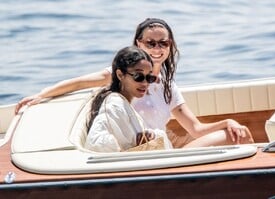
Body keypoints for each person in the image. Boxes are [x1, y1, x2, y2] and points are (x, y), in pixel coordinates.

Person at [15, 18, 254, 147]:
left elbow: (196, 129)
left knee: (239, 134)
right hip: (141, 154)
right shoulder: (121, 74)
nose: (158, 49)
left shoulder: (167, 87)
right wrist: (41, 94)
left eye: (164, 43)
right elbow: (77, 83)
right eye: (151, 43)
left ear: (171, 47)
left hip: (162, 148)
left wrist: (228, 121)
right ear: (138, 43)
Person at [85, 46, 172, 152]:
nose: (145, 83)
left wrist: (149, 137)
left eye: (149, 77)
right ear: (120, 75)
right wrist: (128, 148)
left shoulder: (124, 102)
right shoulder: (114, 105)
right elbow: (95, 143)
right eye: (138, 76)